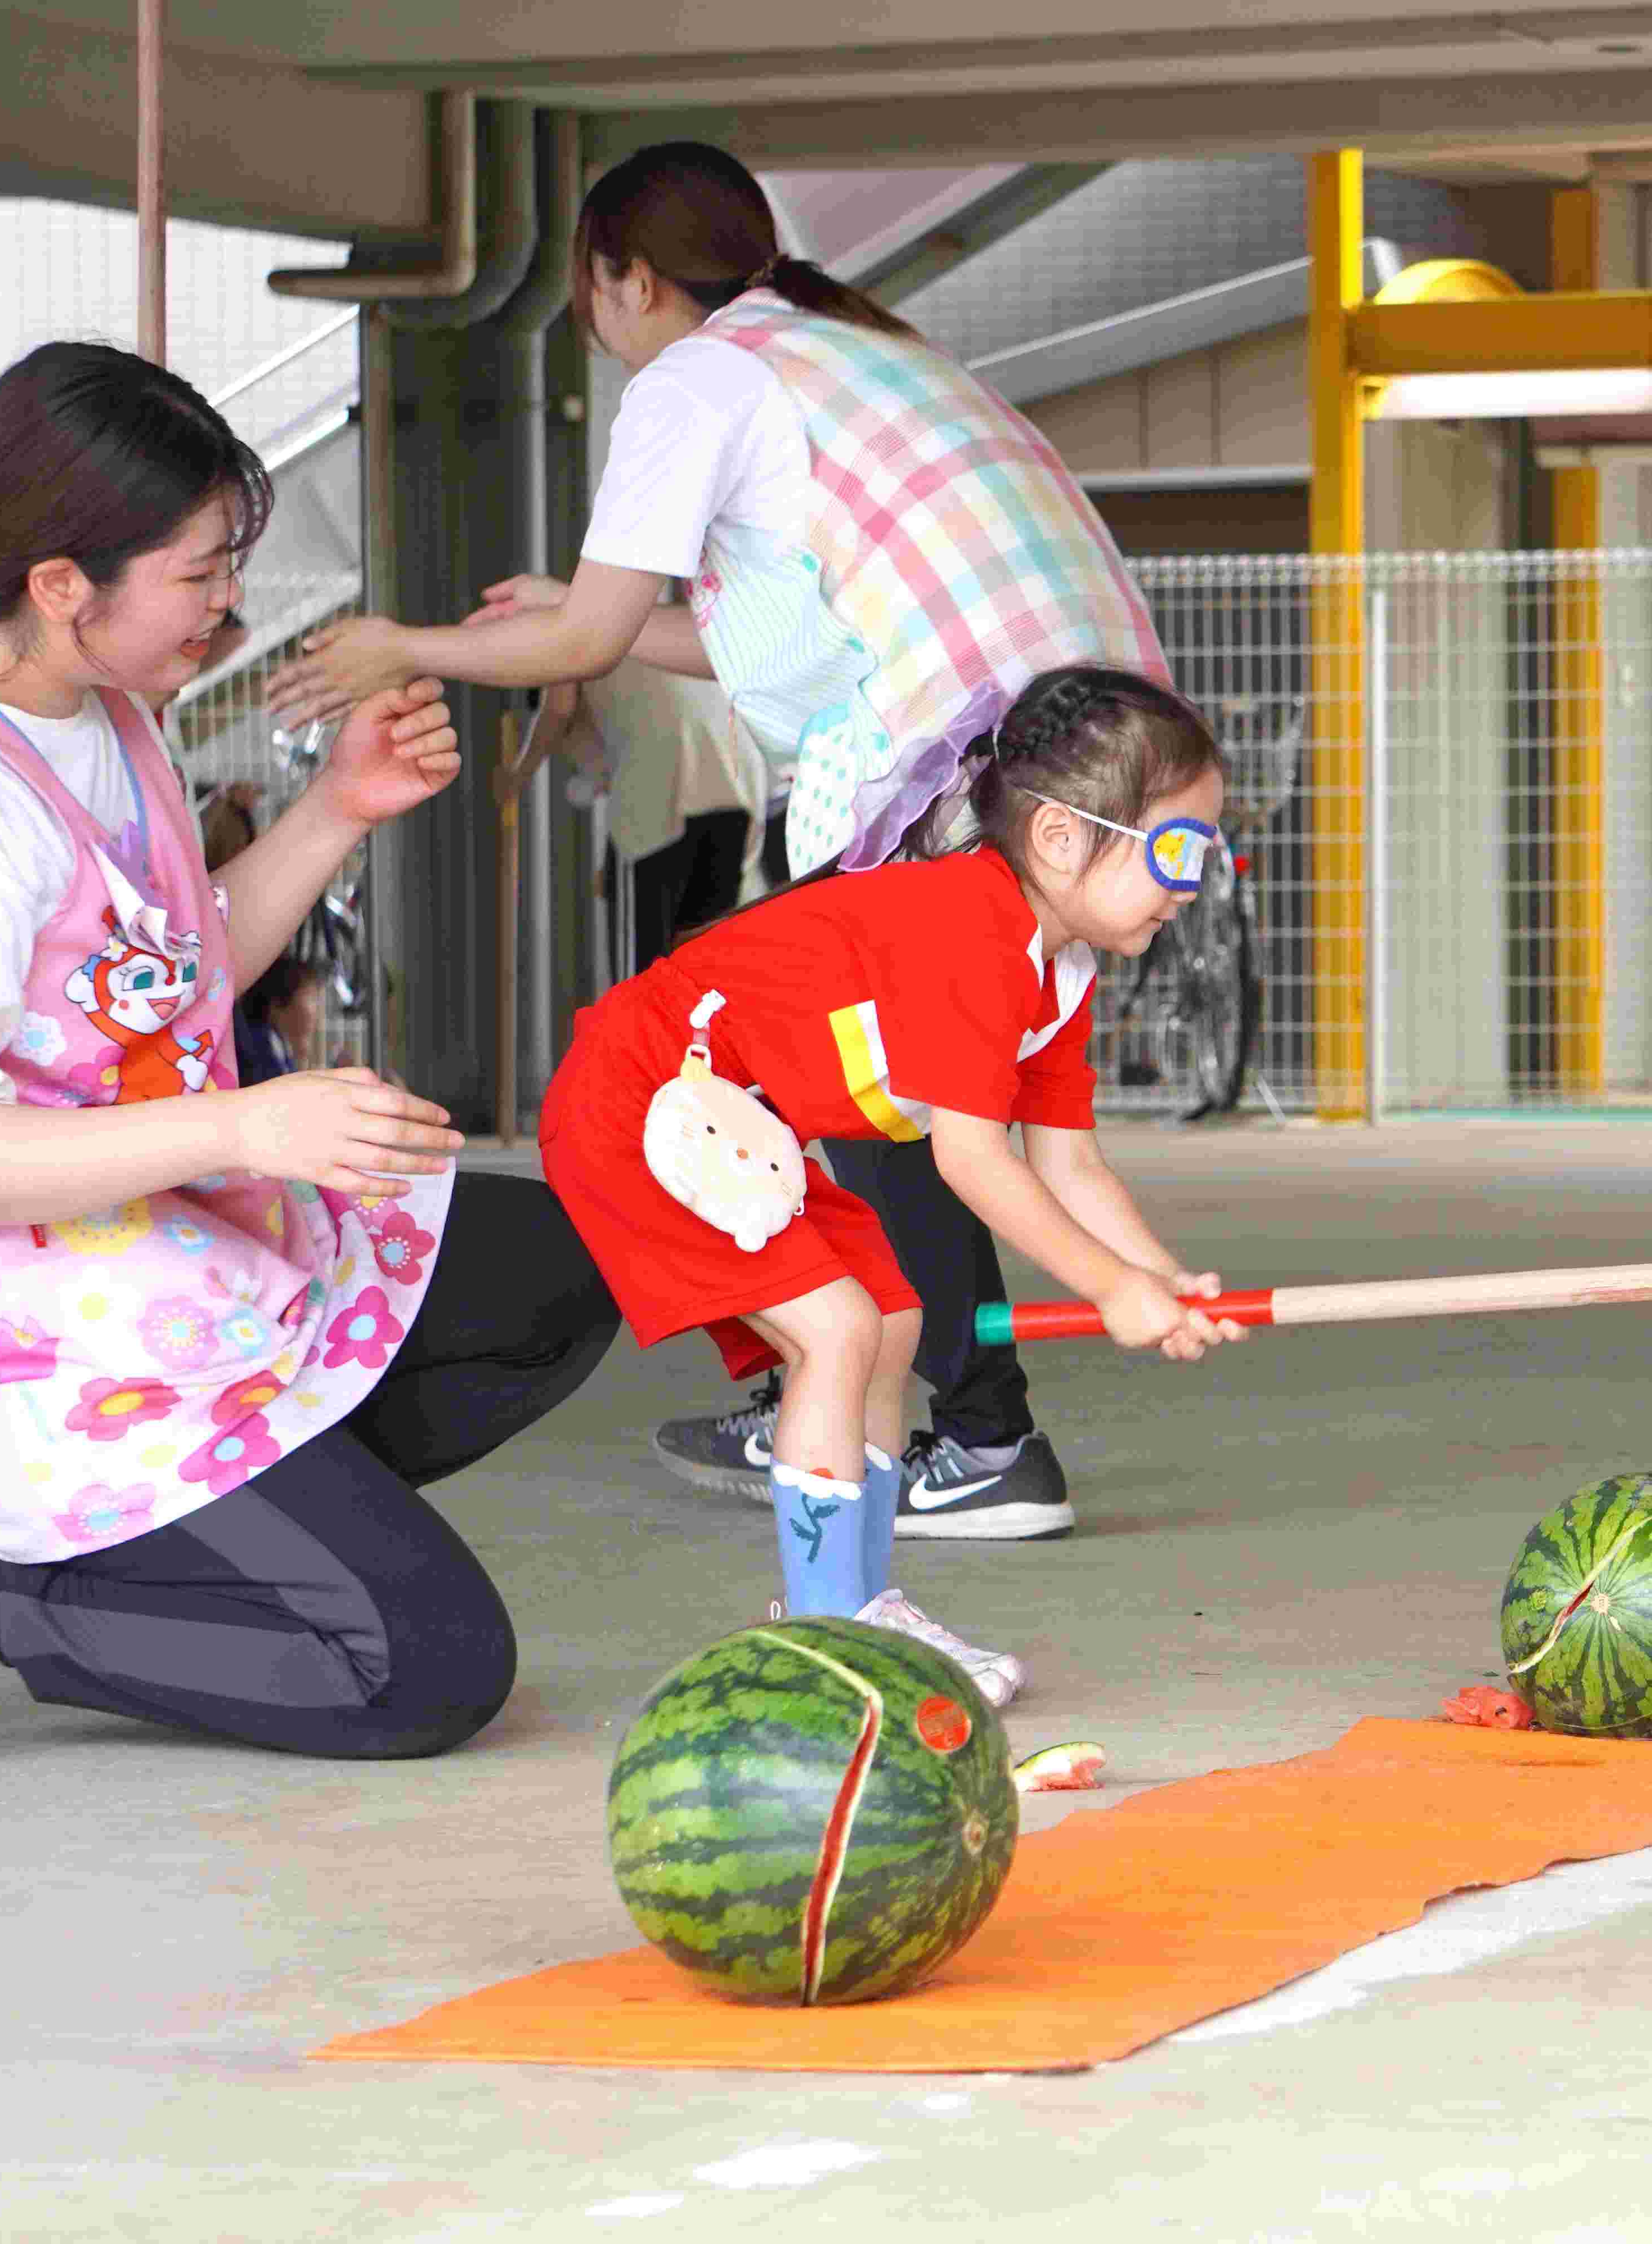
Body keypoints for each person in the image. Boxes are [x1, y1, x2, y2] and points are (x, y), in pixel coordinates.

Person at [270, 139, 1168, 1544]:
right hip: (1085, 768)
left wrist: (404, 639)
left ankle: (968, 1428)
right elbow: (764, 640)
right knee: (886, 1100)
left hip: (968, 774)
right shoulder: (848, 351)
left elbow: (586, 635)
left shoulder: (698, 375)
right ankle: (862, 1383)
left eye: (587, 298)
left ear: (623, 278)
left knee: (870, 1105)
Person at [0, 342, 619, 1769]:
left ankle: (220, 1525)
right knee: (421, 1668)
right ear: (60, 585)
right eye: (204, 569)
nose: (228, 602)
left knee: (557, 1265)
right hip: (4, 1341)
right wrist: (247, 1130)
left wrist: (340, 807)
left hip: (157, 1245)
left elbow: (159, 984)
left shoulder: (97, 706)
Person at [536, 666, 1244, 1707]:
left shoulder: (1062, 971)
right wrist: (1108, 1287)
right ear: (1058, 837)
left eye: (1207, 853)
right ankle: (831, 1631)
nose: (1192, 884)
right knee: (838, 1332)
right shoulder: (971, 930)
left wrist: (1158, 1278)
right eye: (1177, 849)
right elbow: (971, 1159)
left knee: (894, 1321)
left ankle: (859, 1601)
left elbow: (1066, 1159)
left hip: (743, 1124)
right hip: (649, 1101)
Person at [536, 652, 762, 969]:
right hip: (735, 783)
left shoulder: (572, 638)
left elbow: (559, 711)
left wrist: (515, 778)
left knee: (642, 971)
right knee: (704, 964)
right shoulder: (653, 638)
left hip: (664, 790)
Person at [235, 949, 325, 1080]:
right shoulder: (256, 1046)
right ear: (278, 1003)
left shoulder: (281, 1046)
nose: (316, 1011)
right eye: (310, 998)